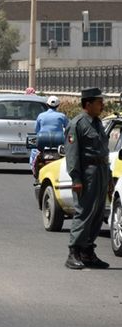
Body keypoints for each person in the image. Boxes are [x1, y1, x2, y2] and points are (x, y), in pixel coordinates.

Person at [63, 88, 112, 270]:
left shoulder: (98, 123)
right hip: (87, 174)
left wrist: (108, 178)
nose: (103, 105)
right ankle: (73, 252)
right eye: (99, 102)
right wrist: (76, 179)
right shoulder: (77, 124)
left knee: (98, 214)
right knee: (84, 213)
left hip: (101, 171)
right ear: (88, 104)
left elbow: (104, 152)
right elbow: (72, 155)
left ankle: (88, 252)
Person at [29, 95, 68, 173]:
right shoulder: (62, 116)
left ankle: (34, 170)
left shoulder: (41, 115)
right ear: (58, 105)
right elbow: (68, 128)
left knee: (34, 152)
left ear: (47, 105)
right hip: (58, 141)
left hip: (42, 141)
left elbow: (36, 130)